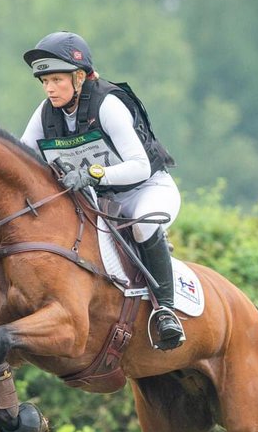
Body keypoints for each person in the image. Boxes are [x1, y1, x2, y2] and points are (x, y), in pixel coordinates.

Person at [19, 31, 185, 350]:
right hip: (102, 201)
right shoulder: (45, 113)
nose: (49, 88)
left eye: (56, 79)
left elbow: (139, 166)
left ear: (79, 77)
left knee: (142, 224)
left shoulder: (108, 104)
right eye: (44, 81)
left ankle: (166, 311)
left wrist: (92, 174)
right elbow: (23, 157)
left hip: (145, 189)